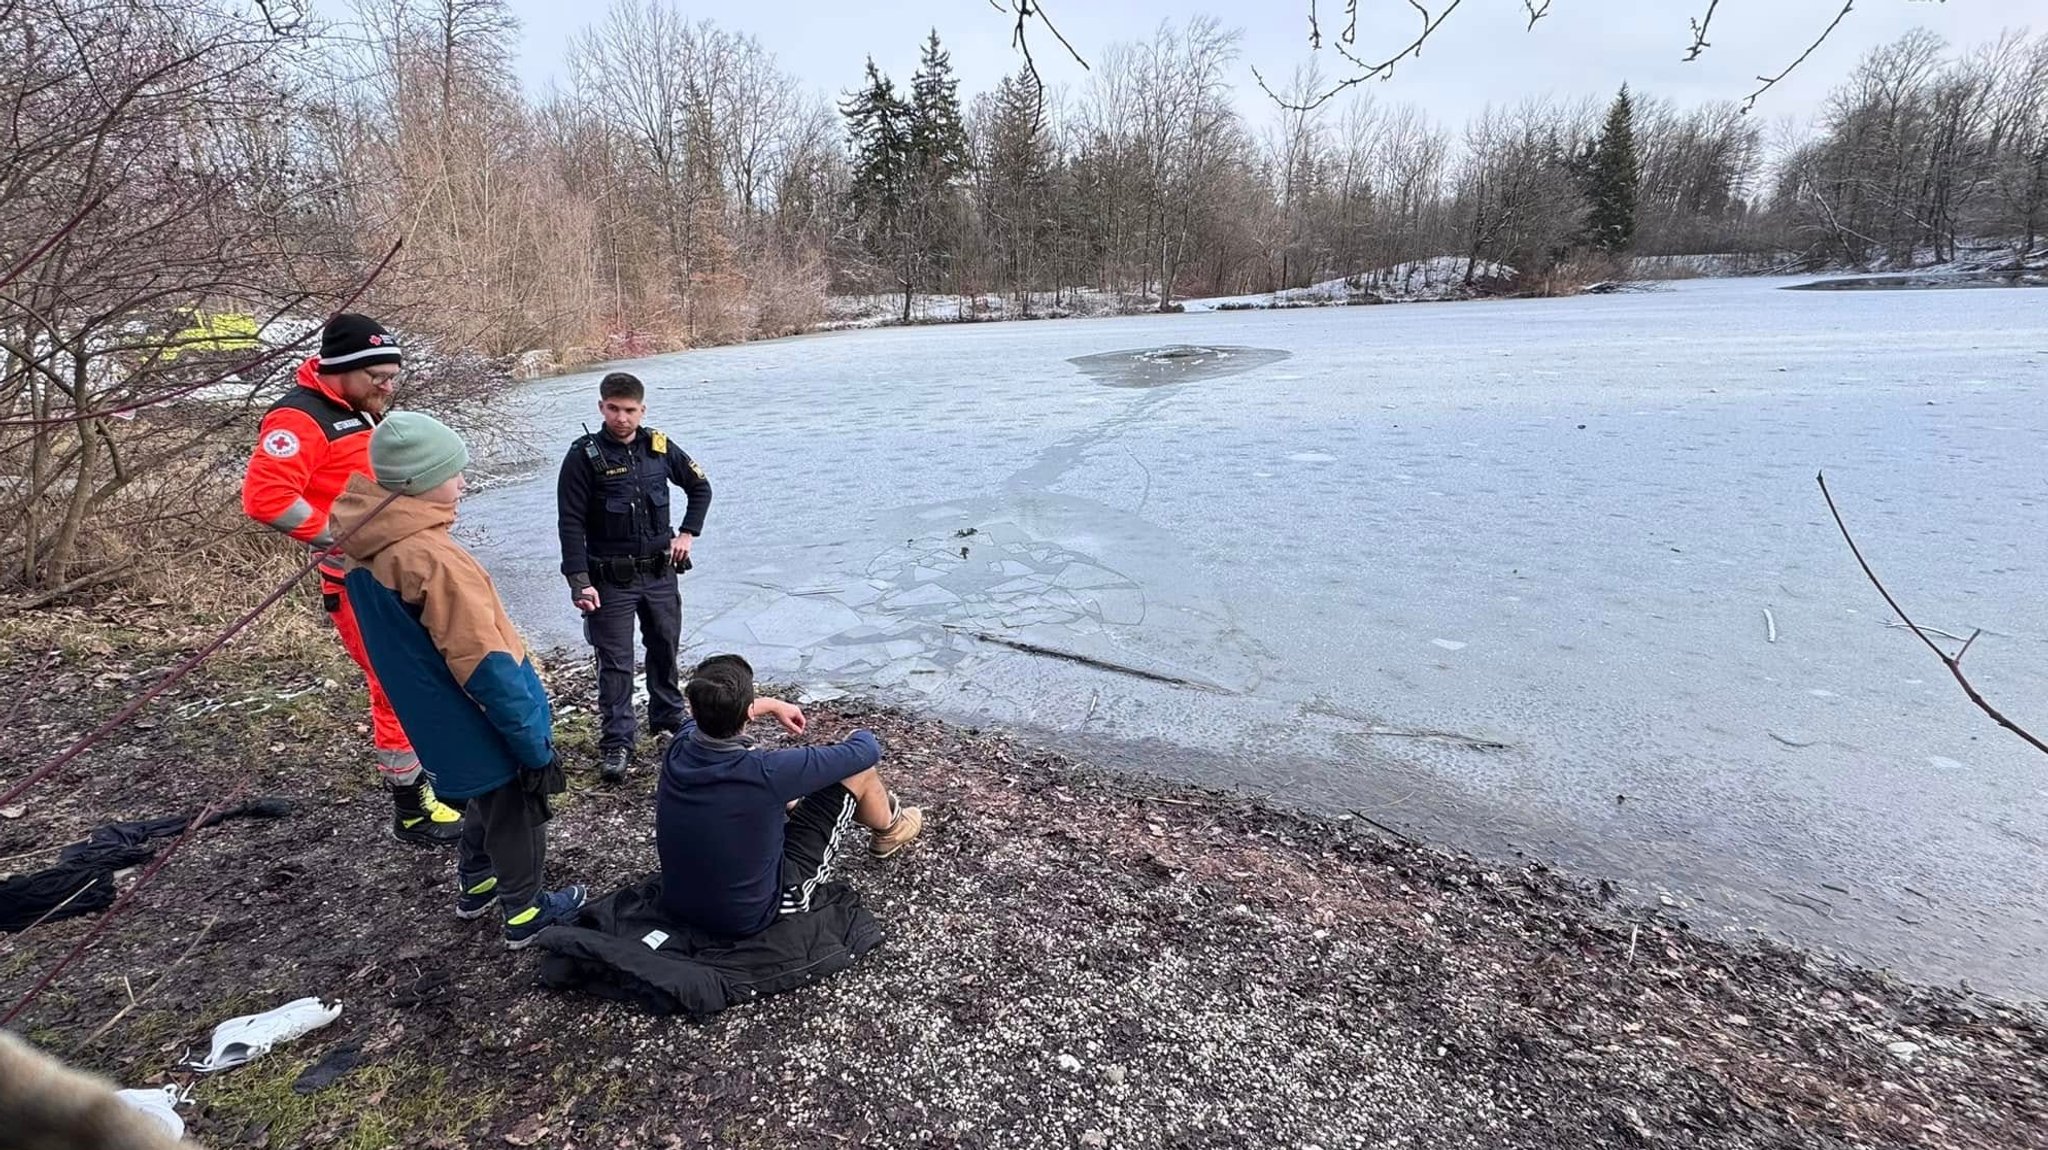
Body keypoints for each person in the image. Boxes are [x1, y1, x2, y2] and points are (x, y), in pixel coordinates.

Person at [329, 412, 585, 948]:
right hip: (475, 714)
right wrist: (532, 741)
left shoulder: (365, 548)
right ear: (419, 481)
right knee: (518, 807)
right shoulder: (431, 559)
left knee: (483, 799)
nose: (465, 482)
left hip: (431, 716)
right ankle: (526, 912)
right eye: (455, 471)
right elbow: (484, 660)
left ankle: (477, 882)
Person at [241, 313, 462, 847]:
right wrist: (338, 541)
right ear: (341, 370)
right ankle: (411, 808)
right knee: (393, 689)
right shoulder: (298, 421)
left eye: (393, 377)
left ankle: (435, 779)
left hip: (392, 573)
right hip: (358, 584)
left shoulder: (355, 409)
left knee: (420, 678)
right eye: (378, 378)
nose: (388, 388)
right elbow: (265, 499)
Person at [655, 654, 923, 938]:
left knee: (776, 798)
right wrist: (859, 731)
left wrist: (773, 705)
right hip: (755, 914)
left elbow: (709, 715)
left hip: (680, 902)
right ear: (748, 712)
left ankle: (814, 810)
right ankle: (891, 830)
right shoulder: (766, 772)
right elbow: (865, 750)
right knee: (861, 773)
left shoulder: (680, 745)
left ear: (694, 711)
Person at [555, 371, 712, 784]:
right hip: (609, 580)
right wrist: (578, 580)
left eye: (629, 410)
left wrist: (687, 533)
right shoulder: (583, 456)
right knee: (616, 662)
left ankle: (668, 718)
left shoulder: (658, 447)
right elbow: (570, 522)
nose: (621, 418)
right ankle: (617, 741)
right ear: (601, 407)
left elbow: (700, 487)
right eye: (613, 409)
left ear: (642, 410)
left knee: (664, 648)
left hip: (660, 574)